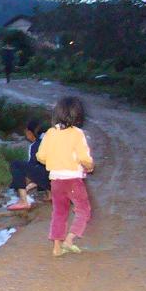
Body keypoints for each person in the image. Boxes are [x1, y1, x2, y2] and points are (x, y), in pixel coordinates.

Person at [36, 96, 94, 257]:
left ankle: (56, 247)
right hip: (73, 180)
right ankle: (69, 240)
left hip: (55, 180)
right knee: (83, 210)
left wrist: (55, 160)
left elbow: (41, 156)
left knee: (59, 212)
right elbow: (84, 158)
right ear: (78, 115)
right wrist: (89, 166)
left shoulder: (50, 133)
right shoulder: (77, 134)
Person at [7, 119, 50, 211]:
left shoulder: (35, 146)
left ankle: (23, 201)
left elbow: (30, 172)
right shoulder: (50, 139)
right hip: (64, 178)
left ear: (30, 133)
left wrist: (23, 186)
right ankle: (50, 195)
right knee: (44, 168)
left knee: (16, 164)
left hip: (51, 179)